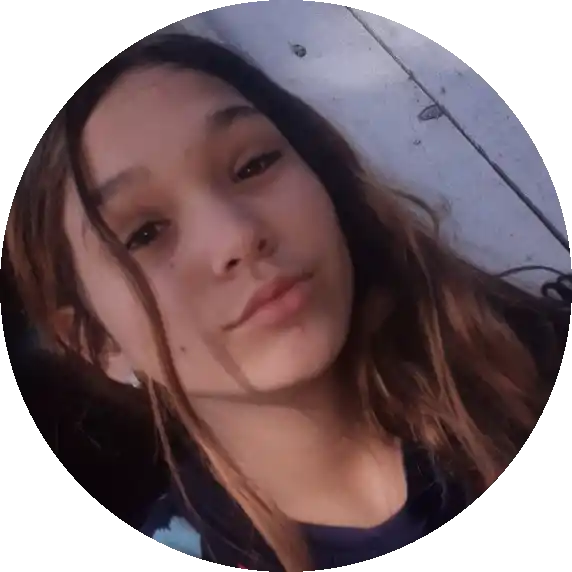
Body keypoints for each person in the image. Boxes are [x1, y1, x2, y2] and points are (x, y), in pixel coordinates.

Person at [5, 33, 570, 571]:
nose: (236, 235)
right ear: (96, 343)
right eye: (145, 233)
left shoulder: (533, 361)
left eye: (253, 165)